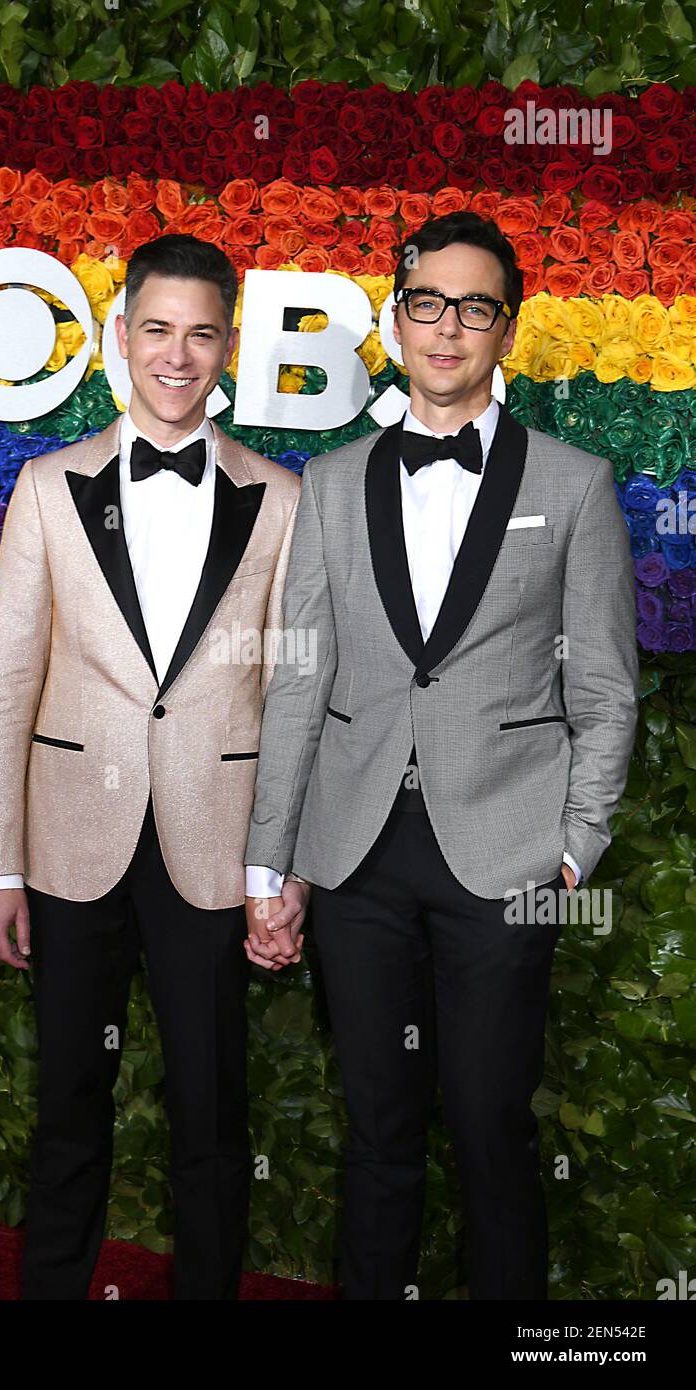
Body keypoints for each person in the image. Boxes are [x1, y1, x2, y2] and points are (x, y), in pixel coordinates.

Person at [243, 210, 639, 1299]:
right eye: (427, 303)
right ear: (395, 318)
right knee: (375, 1128)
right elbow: (297, 678)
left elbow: (603, 688)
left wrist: (573, 852)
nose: (448, 327)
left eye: (474, 307)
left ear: (505, 330)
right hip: (355, 849)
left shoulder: (573, 484)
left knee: (487, 1126)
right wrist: (267, 864)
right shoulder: (328, 480)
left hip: (507, 855)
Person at [0, 233, 302, 1299]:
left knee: (212, 1114)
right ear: (119, 338)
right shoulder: (47, 486)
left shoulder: (280, 498)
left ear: (230, 347)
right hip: (70, 843)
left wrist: (277, 868)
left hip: (214, 845)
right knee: (69, 1105)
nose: (176, 354)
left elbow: (293, 695)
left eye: (201, 333)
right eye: (156, 329)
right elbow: (7, 687)